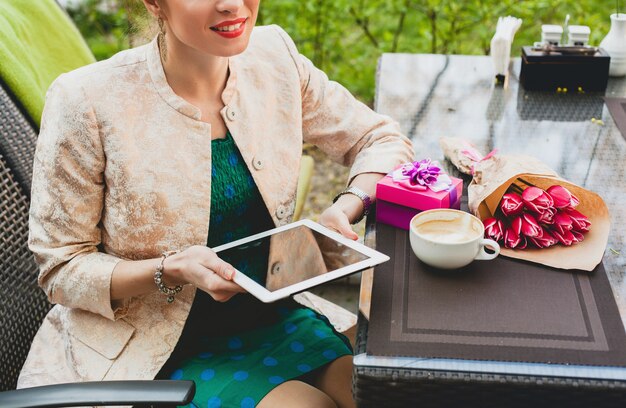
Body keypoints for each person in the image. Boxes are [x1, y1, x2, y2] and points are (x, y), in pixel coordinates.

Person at [19, 0, 414, 406]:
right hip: (155, 350)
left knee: (377, 395)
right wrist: (170, 269)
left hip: (270, 317)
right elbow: (61, 268)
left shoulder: (275, 57)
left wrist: (346, 206)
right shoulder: (86, 100)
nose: (231, 4)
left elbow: (379, 139)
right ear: (155, 3)